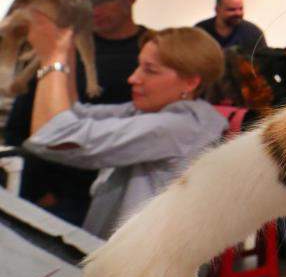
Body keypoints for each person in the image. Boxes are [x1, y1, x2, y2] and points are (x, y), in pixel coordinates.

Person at [21, 19, 227, 239]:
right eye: (139, 66)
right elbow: (72, 112)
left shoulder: (178, 127)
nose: (133, 78)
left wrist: (52, 59)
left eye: (150, 70)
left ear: (190, 83)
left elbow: (50, 135)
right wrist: (66, 51)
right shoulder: (149, 112)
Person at [4, 0, 151, 224]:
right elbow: (21, 123)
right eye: (85, 1)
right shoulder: (64, 48)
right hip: (56, 197)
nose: (94, 9)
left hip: (119, 200)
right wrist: (40, 190)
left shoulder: (151, 55)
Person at [195, 0, 267, 54]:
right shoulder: (200, 31)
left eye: (240, 9)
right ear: (217, 9)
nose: (238, 13)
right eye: (231, 10)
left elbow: (263, 60)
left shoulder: (253, 32)